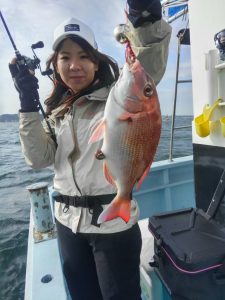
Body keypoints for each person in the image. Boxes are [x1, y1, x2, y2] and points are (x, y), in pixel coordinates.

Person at [9, 1, 171, 299]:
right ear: (55, 65)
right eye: (65, 57)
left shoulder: (118, 94)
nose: (75, 65)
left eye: (84, 56)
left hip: (112, 229)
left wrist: (144, 18)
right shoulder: (57, 111)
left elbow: (147, 63)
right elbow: (38, 158)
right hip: (67, 224)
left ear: (96, 62)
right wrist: (28, 103)